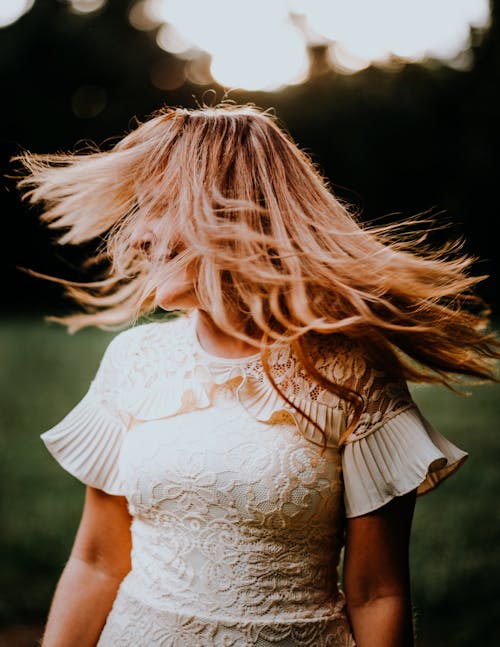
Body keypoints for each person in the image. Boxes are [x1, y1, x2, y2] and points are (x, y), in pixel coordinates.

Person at [14, 102, 500, 647]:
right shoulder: (133, 360)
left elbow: (375, 592)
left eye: (158, 206)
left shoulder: (352, 374)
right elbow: (98, 560)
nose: (136, 234)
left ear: (229, 218)